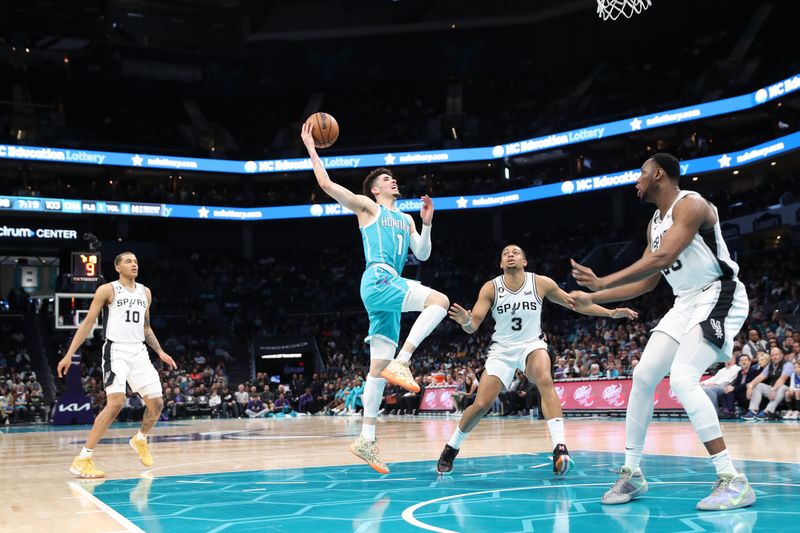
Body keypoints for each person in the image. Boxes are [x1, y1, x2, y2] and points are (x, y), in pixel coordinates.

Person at [570, 153, 754, 511]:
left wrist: (603, 279)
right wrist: (593, 297)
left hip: (718, 293)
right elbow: (648, 281)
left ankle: (734, 480)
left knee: (683, 379)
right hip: (684, 302)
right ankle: (633, 472)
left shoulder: (692, 204)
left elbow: (661, 259)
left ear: (658, 174)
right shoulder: (655, 223)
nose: (635, 180)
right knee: (643, 376)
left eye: (640, 172)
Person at [301, 122, 449, 473]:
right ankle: (406, 358)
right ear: (374, 189)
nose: (393, 181)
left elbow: (423, 255)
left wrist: (427, 223)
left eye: (393, 178)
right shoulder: (368, 208)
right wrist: (310, 145)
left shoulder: (407, 218)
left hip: (390, 285)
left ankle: (366, 438)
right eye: (386, 179)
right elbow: (325, 184)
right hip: (379, 277)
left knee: (377, 371)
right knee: (439, 302)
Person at [437, 244, 637, 475]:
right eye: (505, 253)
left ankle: (560, 448)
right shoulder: (491, 288)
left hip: (531, 344)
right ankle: (451, 447)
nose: (510, 254)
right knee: (481, 405)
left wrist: (611, 313)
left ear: (525, 262)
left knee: (544, 378)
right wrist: (465, 320)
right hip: (502, 350)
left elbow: (576, 305)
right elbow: (473, 326)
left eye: (516, 252)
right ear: (501, 264)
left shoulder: (541, 283)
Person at [56, 252, 177, 478]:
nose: (134, 264)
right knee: (116, 403)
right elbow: (88, 323)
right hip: (116, 350)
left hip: (139, 351)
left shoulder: (145, 292)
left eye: (136, 261)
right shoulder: (107, 290)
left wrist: (160, 351)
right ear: (117, 267)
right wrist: (68, 355)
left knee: (157, 404)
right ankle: (83, 459)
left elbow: (146, 327)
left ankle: (140, 439)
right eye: (129, 261)